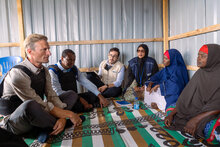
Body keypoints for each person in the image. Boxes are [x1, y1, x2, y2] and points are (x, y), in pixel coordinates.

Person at [0, 34, 82, 138]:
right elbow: (37, 103)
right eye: (44, 50)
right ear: (30, 51)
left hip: (39, 112)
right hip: (17, 121)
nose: (49, 53)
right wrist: (69, 114)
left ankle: (51, 126)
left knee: (71, 94)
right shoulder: (18, 73)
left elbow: (51, 95)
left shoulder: (45, 71)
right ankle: (56, 125)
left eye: (48, 49)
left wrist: (62, 115)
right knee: (31, 105)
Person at [164, 44, 220, 144]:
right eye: (198, 55)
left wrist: (196, 120)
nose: (198, 59)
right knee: (170, 109)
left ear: (213, 58)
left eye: (203, 56)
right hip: (193, 109)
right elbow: (185, 97)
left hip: (210, 112)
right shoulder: (200, 73)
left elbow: (217, 106)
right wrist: (172, 114)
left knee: (211, 130)